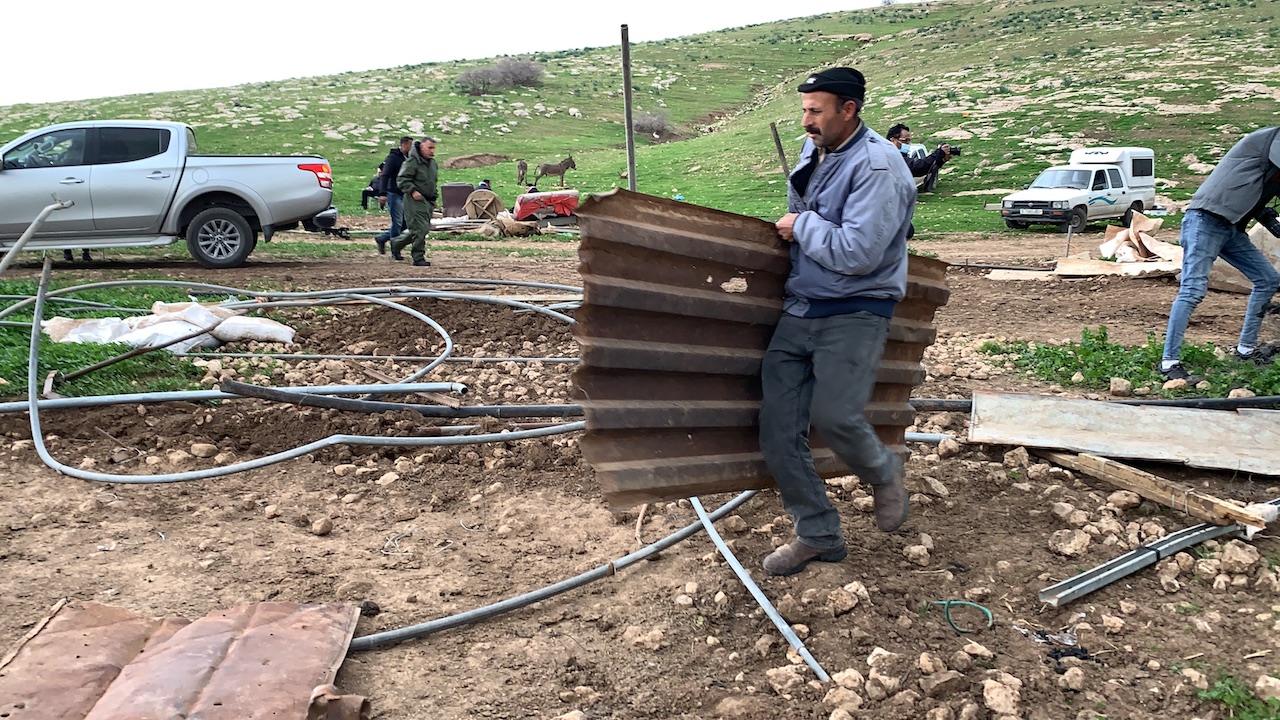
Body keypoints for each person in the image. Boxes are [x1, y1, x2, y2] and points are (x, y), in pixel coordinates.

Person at [759, 67, 917, 576]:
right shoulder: (817, 147)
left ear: (848, 110)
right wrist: (799, 225)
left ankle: (882, 470)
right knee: (778, 428)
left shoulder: (877, 167)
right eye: (804, 110)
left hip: (856, 308)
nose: (806, 121)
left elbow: (860, 252)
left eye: (815, 110)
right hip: (802, 304)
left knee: (835, 415)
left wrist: (802, 226)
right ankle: (818, 534)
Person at [1160, 126, 1280, 382]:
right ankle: (1169, 363)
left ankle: (1245, 351)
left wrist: (1269, 219)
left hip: (1231, 228)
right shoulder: (1271, 139)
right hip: (1204, 221)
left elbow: (1250, 190)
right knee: (1192, 290)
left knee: (1268, 279)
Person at [390, 136, 438, 267]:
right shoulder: (412, 162)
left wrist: (434, 197)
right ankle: (418, 257)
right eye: (429, 148)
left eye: (433, 148)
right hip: (414, 200)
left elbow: (432, 182)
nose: (432, 151)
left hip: (427, 201)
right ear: (421, 147)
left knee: (421, 229)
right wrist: (412, 191)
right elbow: (402, 179)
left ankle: (396, 243)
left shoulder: (432, 163)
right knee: (420, 229)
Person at [375, 137, 413, 254]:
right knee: (397, 223)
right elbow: (384, 174)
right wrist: (382, 193)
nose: (411, 148)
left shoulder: (407, 158)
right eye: (410, 145)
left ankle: (382, 238)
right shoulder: (393, 158)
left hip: (404, 194)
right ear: (404, 145)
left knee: (404, 224)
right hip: (394, 193)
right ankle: (395, 250)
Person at [886, 123, 951, 178]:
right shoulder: (889, 157)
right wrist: (938, 153)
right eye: (905, 140)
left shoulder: (899, 155)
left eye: (909, 141)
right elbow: (917, 167)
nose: (908, 144)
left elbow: (922, 170)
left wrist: (941, 160)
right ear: (893, 140)